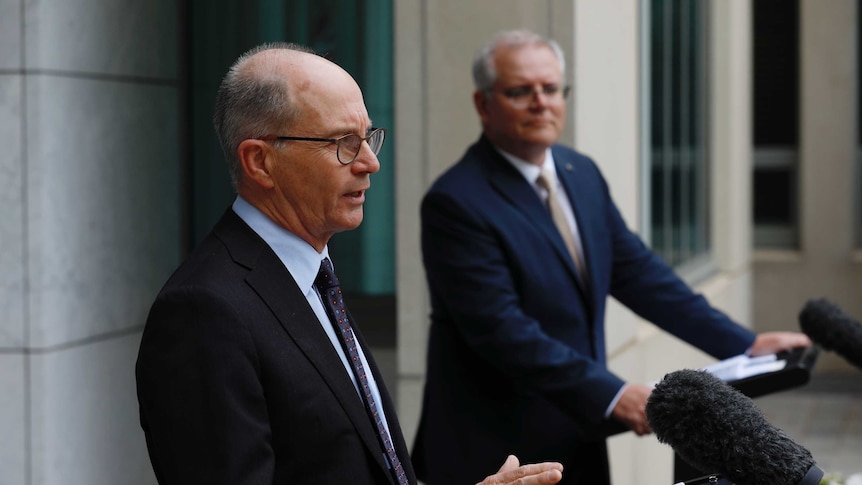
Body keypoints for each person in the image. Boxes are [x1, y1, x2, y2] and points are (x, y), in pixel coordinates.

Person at [135, 42, 564, 485]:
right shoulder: (203, 312)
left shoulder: (314, 278)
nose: (370, 163)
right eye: (342, 143)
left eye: (367, 138)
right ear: (260, 161)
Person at [410, 29, 812, 485]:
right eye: (521, 91)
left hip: (576, 432)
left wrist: (744, 344)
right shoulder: (456, 201)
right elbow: (501, 330)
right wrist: (612, 393)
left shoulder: (580, 173)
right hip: (496, 449)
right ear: (484, 104)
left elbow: (641, 275)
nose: (541, 102)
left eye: (551, 88)